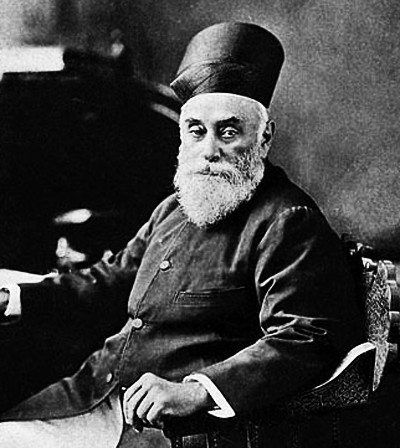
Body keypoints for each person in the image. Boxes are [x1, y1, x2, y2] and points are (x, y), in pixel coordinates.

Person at [0, 22, 363, 448]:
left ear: (264, 138)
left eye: (229, 132)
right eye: (196, 130)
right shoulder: (175, 207)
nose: (209, 151)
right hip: (95, 393)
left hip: (173, 428)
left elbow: (307, 335)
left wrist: (198, 390)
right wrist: (14, 297)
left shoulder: (287, 220)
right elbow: (111, 281)